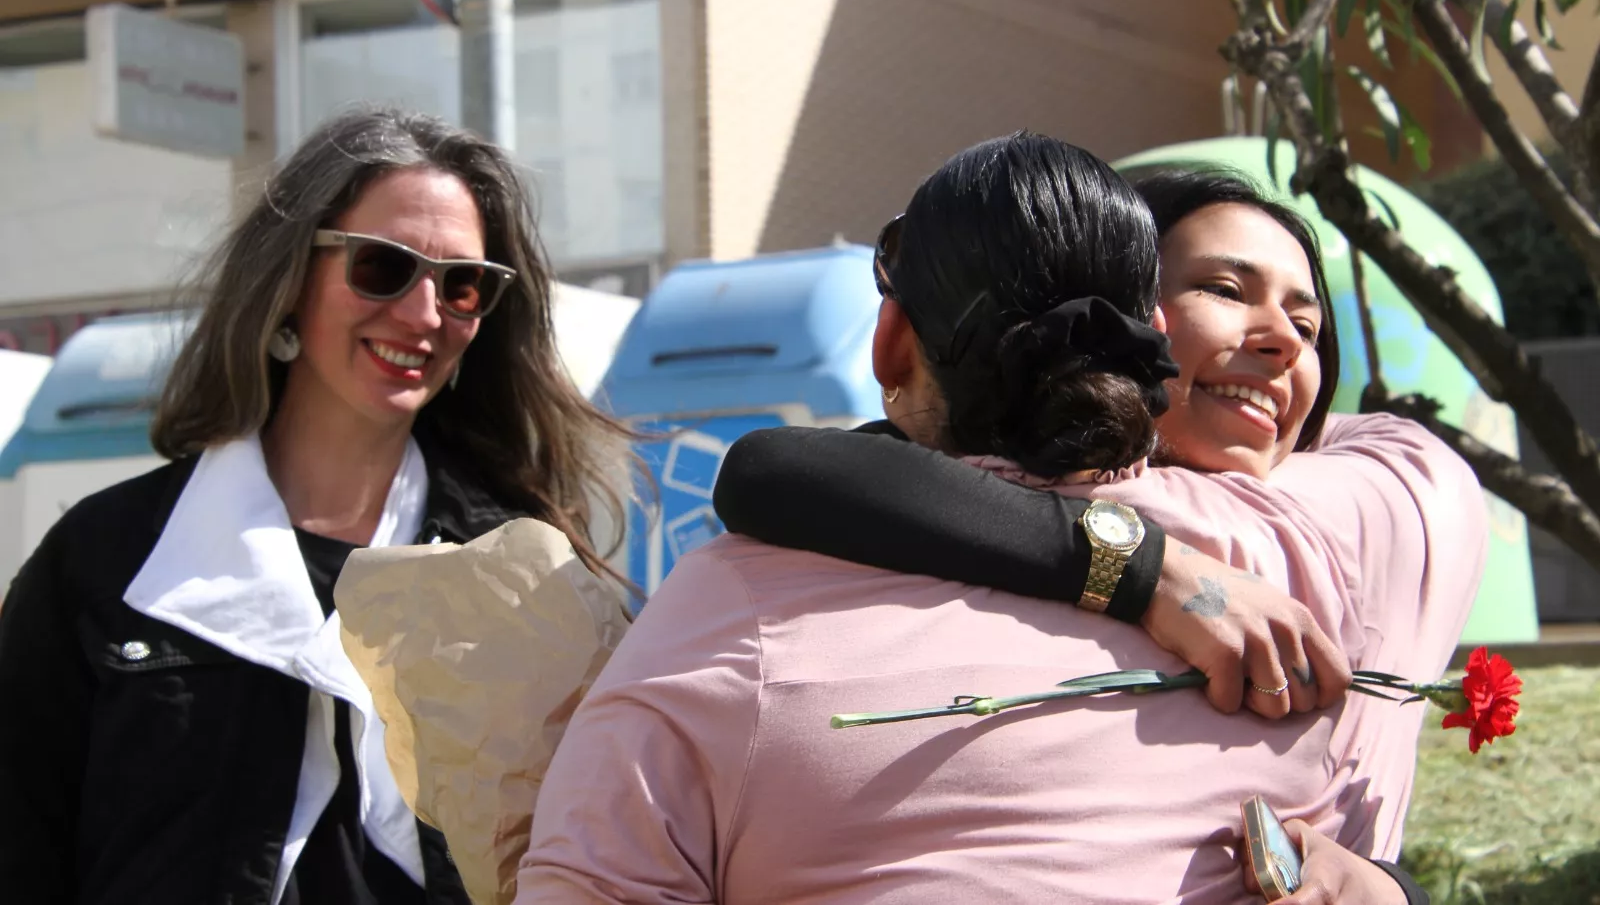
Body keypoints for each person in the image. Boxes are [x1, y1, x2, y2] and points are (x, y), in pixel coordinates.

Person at [516, 134, 1463, 903]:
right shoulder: (1318, 541)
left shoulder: (732, 608)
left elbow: (775, 467)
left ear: (891, 343)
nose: (1277, 340)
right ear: (1156, 343)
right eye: (1225, 289)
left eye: (1309, 324)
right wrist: (1135, 562)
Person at [0, 108, 633, 905]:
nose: (422, 314)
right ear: (291, 275)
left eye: (463, 284)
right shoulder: (103, 561)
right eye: (382, 266)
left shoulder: (522, 570)